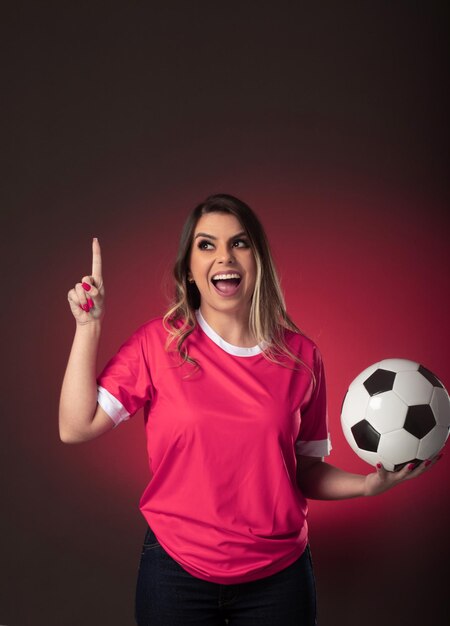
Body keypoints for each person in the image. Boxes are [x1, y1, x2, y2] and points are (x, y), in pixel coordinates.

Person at [59, 193, 441, 626]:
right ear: (189, 268)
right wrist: (88, 327)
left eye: (239, 243)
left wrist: (369, 485)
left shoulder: (301, 357)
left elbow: (303, 470)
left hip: (278, 578)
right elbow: (76, 426)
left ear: (258, 260)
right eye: (206, 245)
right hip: (176, 571)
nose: (224, 256)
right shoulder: (158, 343)